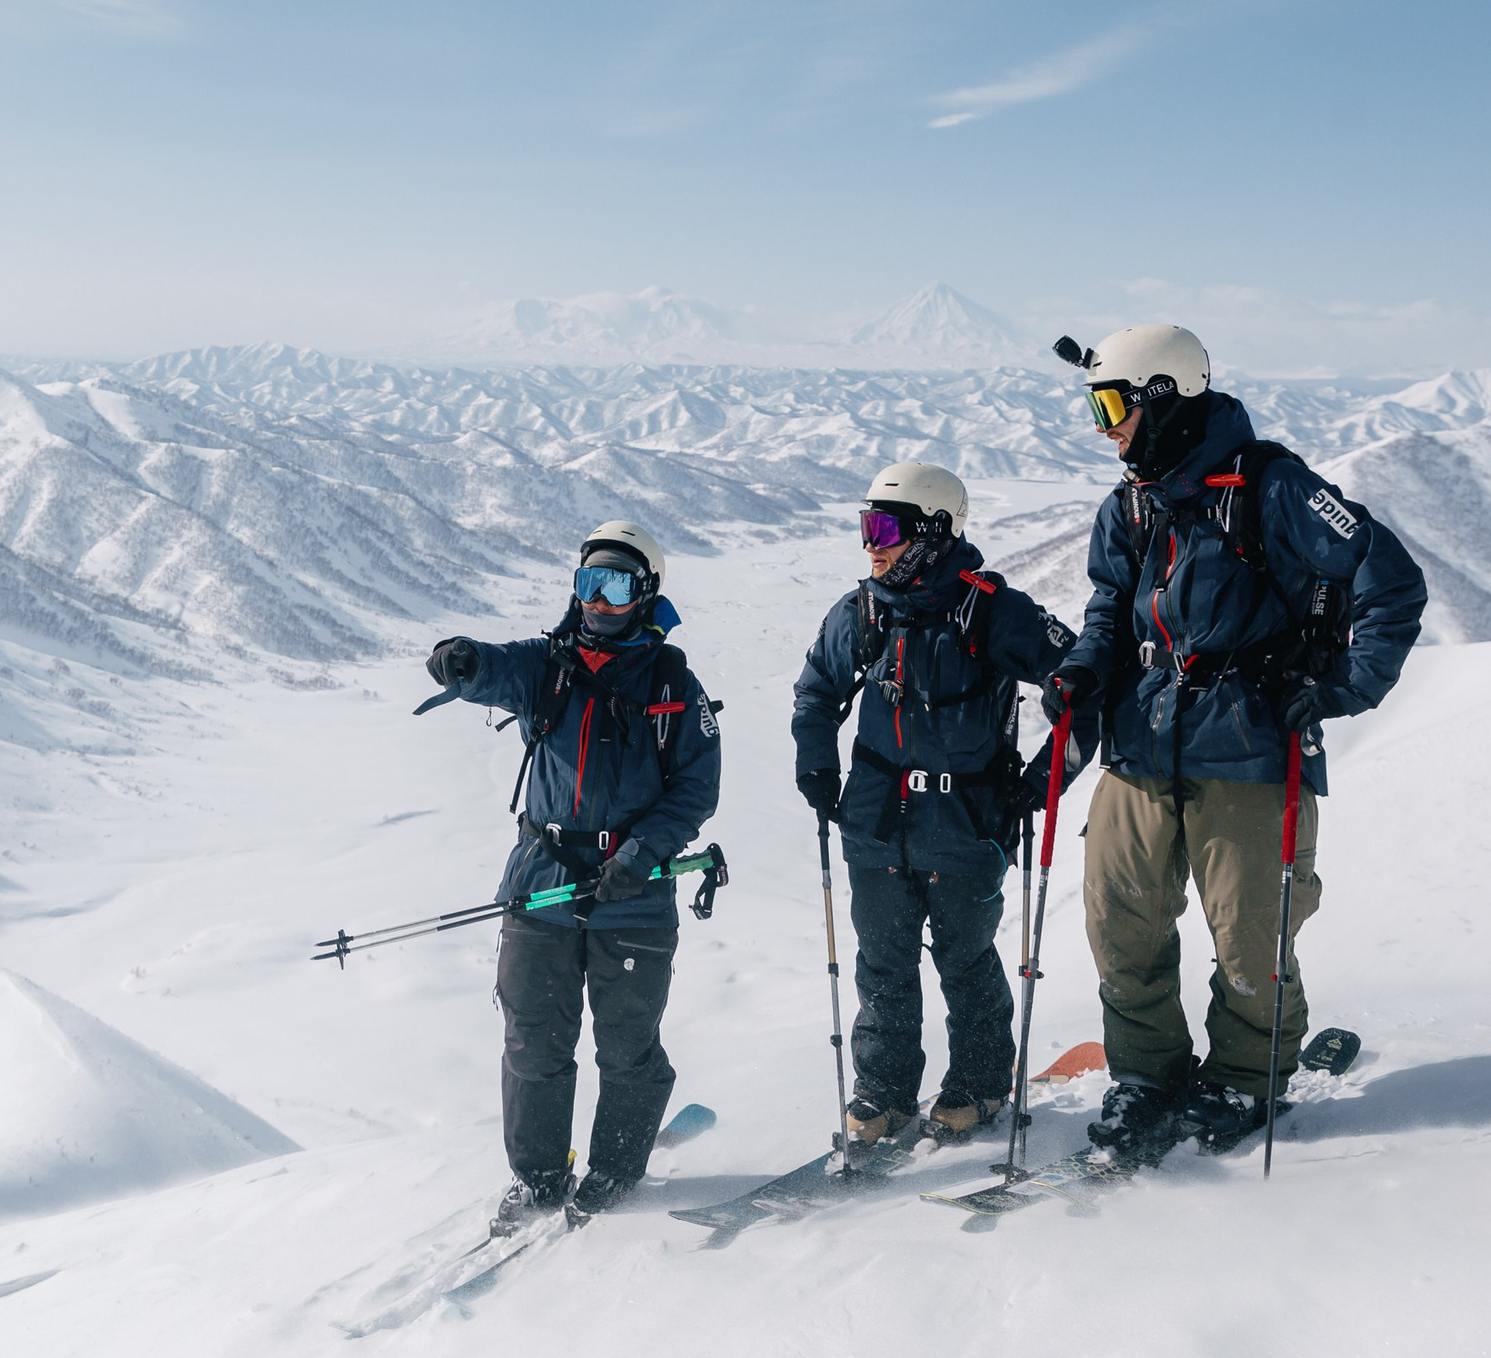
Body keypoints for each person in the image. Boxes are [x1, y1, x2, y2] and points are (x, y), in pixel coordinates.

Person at [1047, 326, 1425, 1157]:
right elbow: (1110, 605)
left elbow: (1386, 577)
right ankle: (1147, 1073)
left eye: (1111, 406)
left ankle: (1247, 1077)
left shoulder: (1270, 485)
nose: (1102, 427)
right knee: (1120, 921)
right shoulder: (1133, 501)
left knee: (1251, 932)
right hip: (1142, 744)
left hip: (1250, 749)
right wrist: (1081, 668)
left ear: (1163, 398)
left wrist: (1343, 685)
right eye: (1093, 407)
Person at [424, 521, 721, 1232]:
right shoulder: (547, 666)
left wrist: (641, 854)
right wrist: (459, 661)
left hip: (635, 893)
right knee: (533, 1040)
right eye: (589, 582)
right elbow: (493, 666)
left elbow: (696, 789)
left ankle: (615, 1169)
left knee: (626, 1044)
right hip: (543, 881)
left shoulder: (675, 686)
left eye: (616, 584)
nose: (598, 600)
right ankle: (540, 1177)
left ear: (645, 592)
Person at [791, 462, 1087, 1147]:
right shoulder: (860, 611)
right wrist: (815, 762)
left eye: (886, 527)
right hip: (874, 824)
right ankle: (884, 1092)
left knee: (966, 960)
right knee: (883, 965)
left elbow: (1080, 692)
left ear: (933, 531)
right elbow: (815, 692)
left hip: (965, 827)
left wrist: (1042, 781)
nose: (872, 543)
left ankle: (981, 1085)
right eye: (867, 526)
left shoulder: (992, 610)